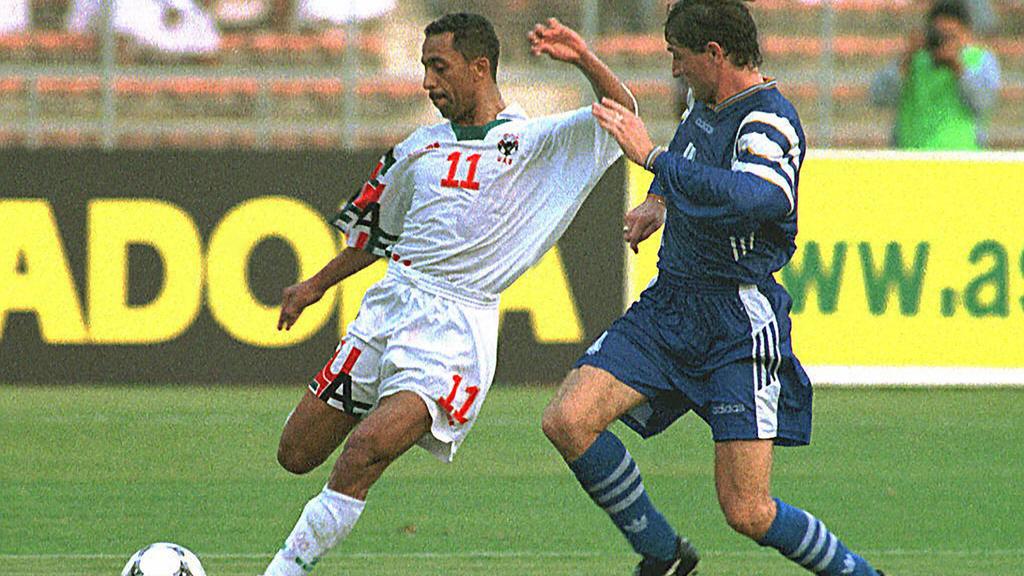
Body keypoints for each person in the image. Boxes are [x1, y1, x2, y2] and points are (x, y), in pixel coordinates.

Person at [260, 12, 636, 576]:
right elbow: (378, 236)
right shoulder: (416, 150)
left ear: (480, 67)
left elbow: (624, 114)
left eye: (440, 67)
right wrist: (315, 285)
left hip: (453, 335)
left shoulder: (533, 141)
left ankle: (284, 568)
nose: (427, 82)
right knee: (296, 453)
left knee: (364, 453)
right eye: (424, 68)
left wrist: (583, 57)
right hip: (389, 310)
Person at [542, 1, 886, 575]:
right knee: (567, 419)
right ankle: (664, 554)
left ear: (715, 53)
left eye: (679, 57)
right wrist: (658, 200)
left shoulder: (769, 120)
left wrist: (651, 158)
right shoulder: (704, 106)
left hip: (736, 323)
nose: (675, 69)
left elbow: (760, 197)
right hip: (671, 305)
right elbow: (687, 151)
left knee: (748, 511)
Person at [870, 0, 1001, 150]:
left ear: (966, 34)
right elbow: (879, 97)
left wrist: (958, 68)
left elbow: (984, 103)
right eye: (939, 36)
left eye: (951, 36)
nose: (944, 43)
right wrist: (906, 59)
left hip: (962, 156)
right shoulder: (912, 59)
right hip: (911, 155)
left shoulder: (979, 59)